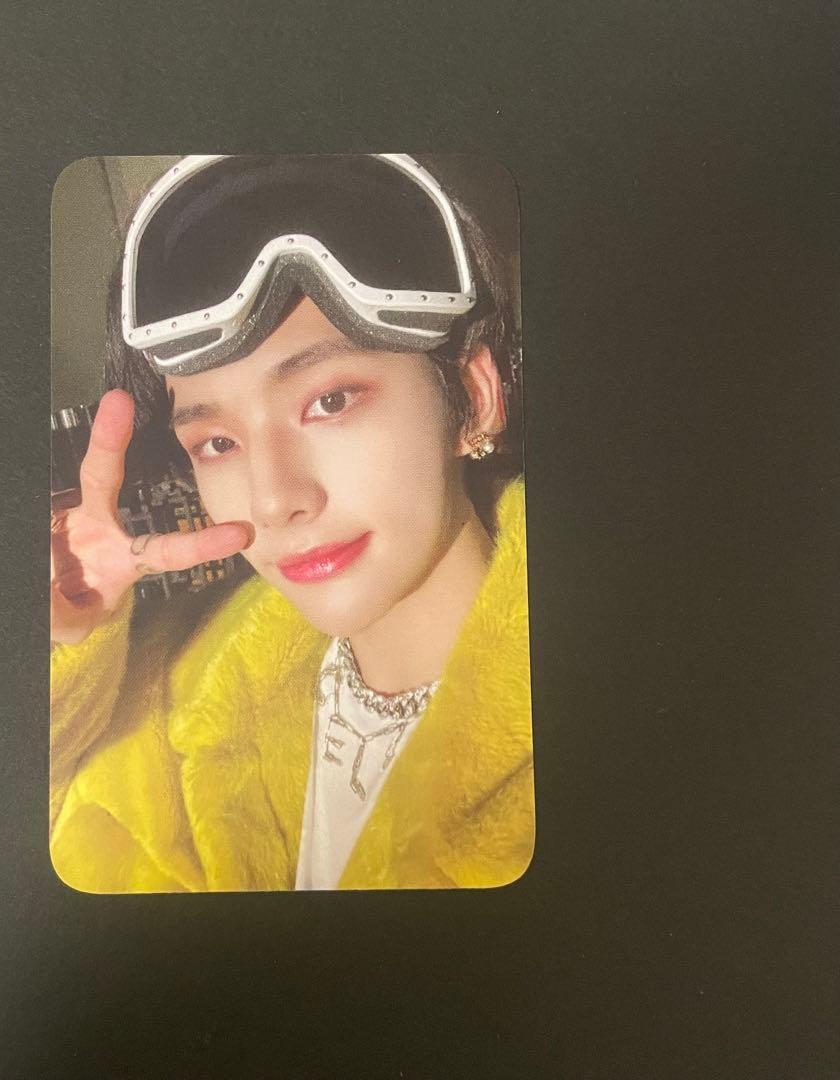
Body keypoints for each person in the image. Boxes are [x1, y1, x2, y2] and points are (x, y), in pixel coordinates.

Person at [49, 154, 534, 892]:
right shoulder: (178, 710)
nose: (275, 500)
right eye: (218, 443)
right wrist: (63, 649)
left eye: (329, 402)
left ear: (474, 398)